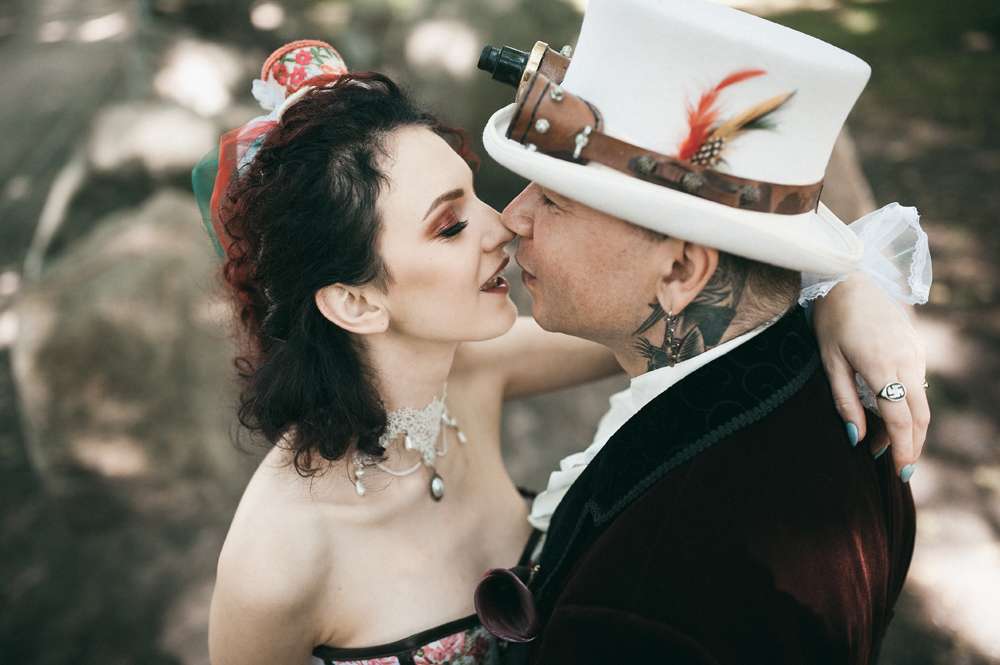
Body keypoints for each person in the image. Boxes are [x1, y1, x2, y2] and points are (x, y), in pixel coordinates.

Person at [192, 38, 929, 665]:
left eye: (476, 194)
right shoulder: (278, 559)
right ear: (355, 301)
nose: (502, 225)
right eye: (450, 227)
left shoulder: (476, 371)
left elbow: (704, 312)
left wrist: (845, 285)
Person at [472, 0, 929, 663]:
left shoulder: (654, 598)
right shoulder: (813, 380)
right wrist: (840, 286)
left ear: (682, 270)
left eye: (555, 200)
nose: (512, 219)